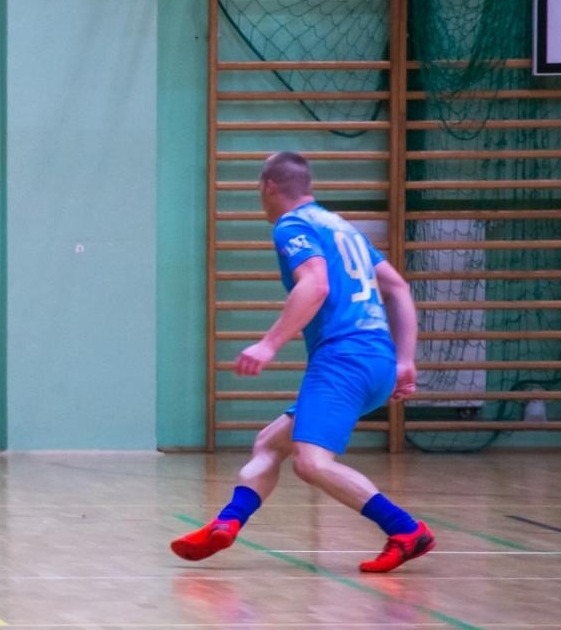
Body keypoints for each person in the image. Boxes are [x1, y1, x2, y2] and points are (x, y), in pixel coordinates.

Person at [170, 151, 434, 573]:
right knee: (270, 442)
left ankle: (406, 530)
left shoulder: (292, 225)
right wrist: (404, 360)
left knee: (311, 463)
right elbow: (398, 288)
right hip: (377, 358)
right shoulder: (340, 226)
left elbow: (315, 284)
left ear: (269, 187)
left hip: (343, 359)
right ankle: (226, 523)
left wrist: (268, 344)